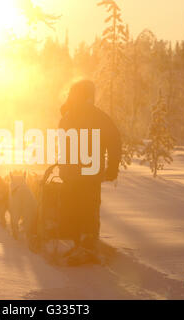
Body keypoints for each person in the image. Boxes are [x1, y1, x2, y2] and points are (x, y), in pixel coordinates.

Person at [58, 80, 121, 262]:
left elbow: (63, 144)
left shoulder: (68, 116)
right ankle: (85, 244)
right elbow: (114, 141)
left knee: (72, 208)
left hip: (74, 173)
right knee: (87, 208)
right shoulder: (97, 117)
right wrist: (112, 168)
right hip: (87, 173)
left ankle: (77, 244)